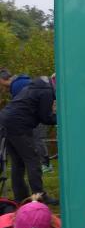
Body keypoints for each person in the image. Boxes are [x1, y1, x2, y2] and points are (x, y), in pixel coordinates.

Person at [0, 75, 57, 205]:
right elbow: (45, 117)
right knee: (33, 160)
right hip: (18, 125)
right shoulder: (47, 91)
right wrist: (61, 117)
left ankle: (21, 198)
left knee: (17, 162)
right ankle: (39, 195)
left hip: (5, 121)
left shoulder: (39, 84)